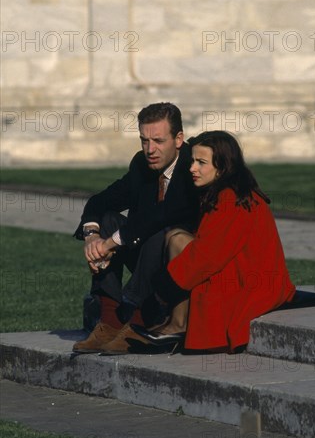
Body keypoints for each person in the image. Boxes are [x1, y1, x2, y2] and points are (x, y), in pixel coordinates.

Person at [131, 130, 297, 354]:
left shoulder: (231, 198)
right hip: (246, 272)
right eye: (193, 161)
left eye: (201, 162)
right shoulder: (228, 192)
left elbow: (207, 256)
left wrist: (163, 288)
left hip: (251, 282)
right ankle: (175, 321)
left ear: (223, 166)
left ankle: (178, 324)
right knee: (174, 236)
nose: (192, 168)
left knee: (178, 240)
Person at [72, 102, 199, 354]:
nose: (150, 149)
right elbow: (101, 200)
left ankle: (138, 322)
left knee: (158, 232)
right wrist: (92, 237)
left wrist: (109, 244)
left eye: (158, 141)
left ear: (178, 139)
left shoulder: (193, 164)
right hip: (145, 254)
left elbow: (162, 215)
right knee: (107, 219)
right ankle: (109, 321)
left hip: (182, 258)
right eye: (144, 140)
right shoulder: (142, 164)